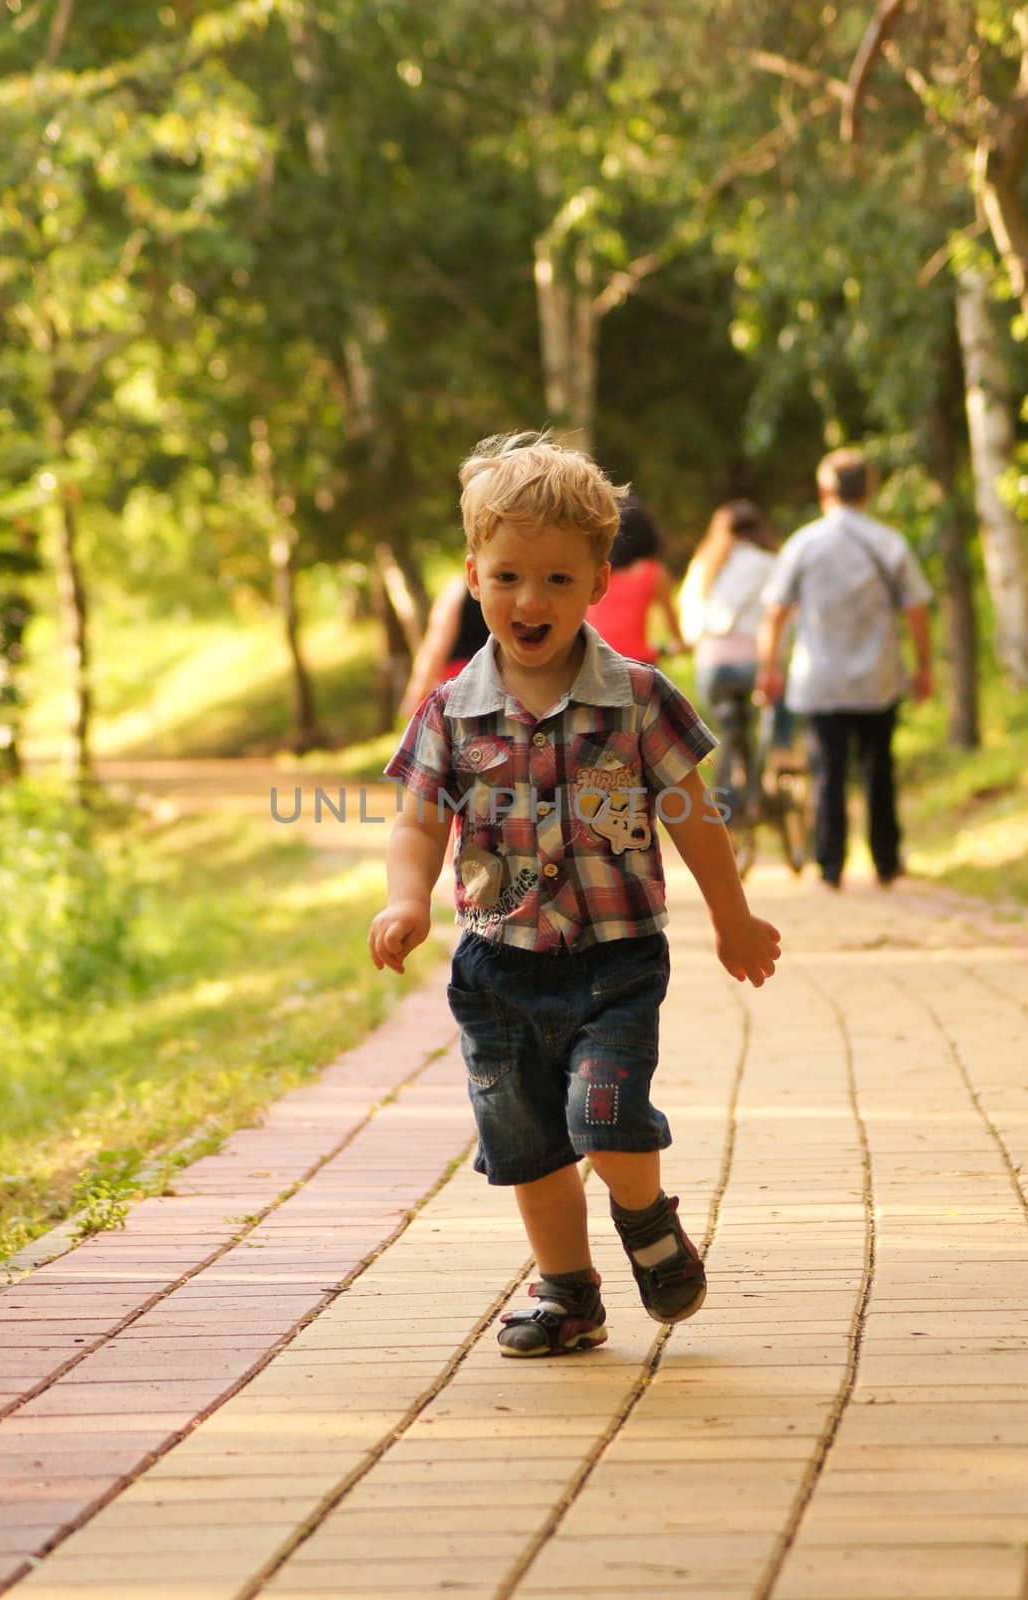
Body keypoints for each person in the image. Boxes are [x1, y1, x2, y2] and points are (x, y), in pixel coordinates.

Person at [369, 431, 781, 1359]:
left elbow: (694, 813)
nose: (530, 600)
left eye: (558, 580)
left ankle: (645, 1221)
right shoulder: (449, 710)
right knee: (526, 1143)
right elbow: (416, 823)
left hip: (615, 958)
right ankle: (568, 1295)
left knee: (603, 1111)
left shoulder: (637, 697)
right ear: (475, 576)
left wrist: (733, 915)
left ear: (600, 582)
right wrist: (407, 901)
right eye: (510, 577)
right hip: (496, 967)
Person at [755, 447, 933, 890]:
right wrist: (924, 665)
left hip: (820, 680)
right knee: (879, 770)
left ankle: (830, 865)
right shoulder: (889, 542)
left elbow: (775, 613)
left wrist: (769, 666)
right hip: (879, 677)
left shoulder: (804, 543)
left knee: (827, 770)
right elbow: (915, 610)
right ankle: (886, 862)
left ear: (824, 491)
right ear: (869, 490)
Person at [677, 500, 785, 794]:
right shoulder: (769, 563)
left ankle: (728, 795)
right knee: (763, 718)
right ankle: (760, 784)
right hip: (751, 661)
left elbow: (689, 622)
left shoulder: (704, 564)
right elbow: (780, 617)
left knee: (727, 726)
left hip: (711, 664)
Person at [586, 496, 685, 662]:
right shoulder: (653, 573)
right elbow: (671, 623)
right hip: (637, 662)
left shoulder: (593, 572)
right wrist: (681, 644)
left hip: (596, 660)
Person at [398, 575, 489, 721]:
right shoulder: (508, 587)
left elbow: (436, 646)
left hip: (460, 688)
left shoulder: (457, 589)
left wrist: (415, 695)